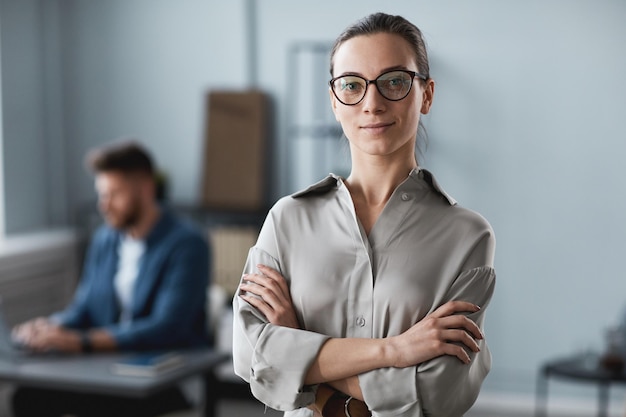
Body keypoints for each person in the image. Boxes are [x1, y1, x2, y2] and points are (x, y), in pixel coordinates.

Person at [232, 12, 496, 417]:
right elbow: (252, 356)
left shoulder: (468, 236)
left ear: (425, 94)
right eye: (352, 85)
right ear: (334, 102)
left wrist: (299, 347)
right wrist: (395, 350)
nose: (372, 104)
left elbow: (436, 392)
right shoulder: (287, 220)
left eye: (394, 82)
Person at [11, 141, 211, 417]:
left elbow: (167, 327)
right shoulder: (105, 240)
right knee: (28, 398)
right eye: (102, 194)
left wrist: (83, 342)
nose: (104, 205)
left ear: (145, 189)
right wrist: (48, 328)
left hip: (163, 375)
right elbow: (84, 308)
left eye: (115, 194)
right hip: (107, 368)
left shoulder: (187, 244)